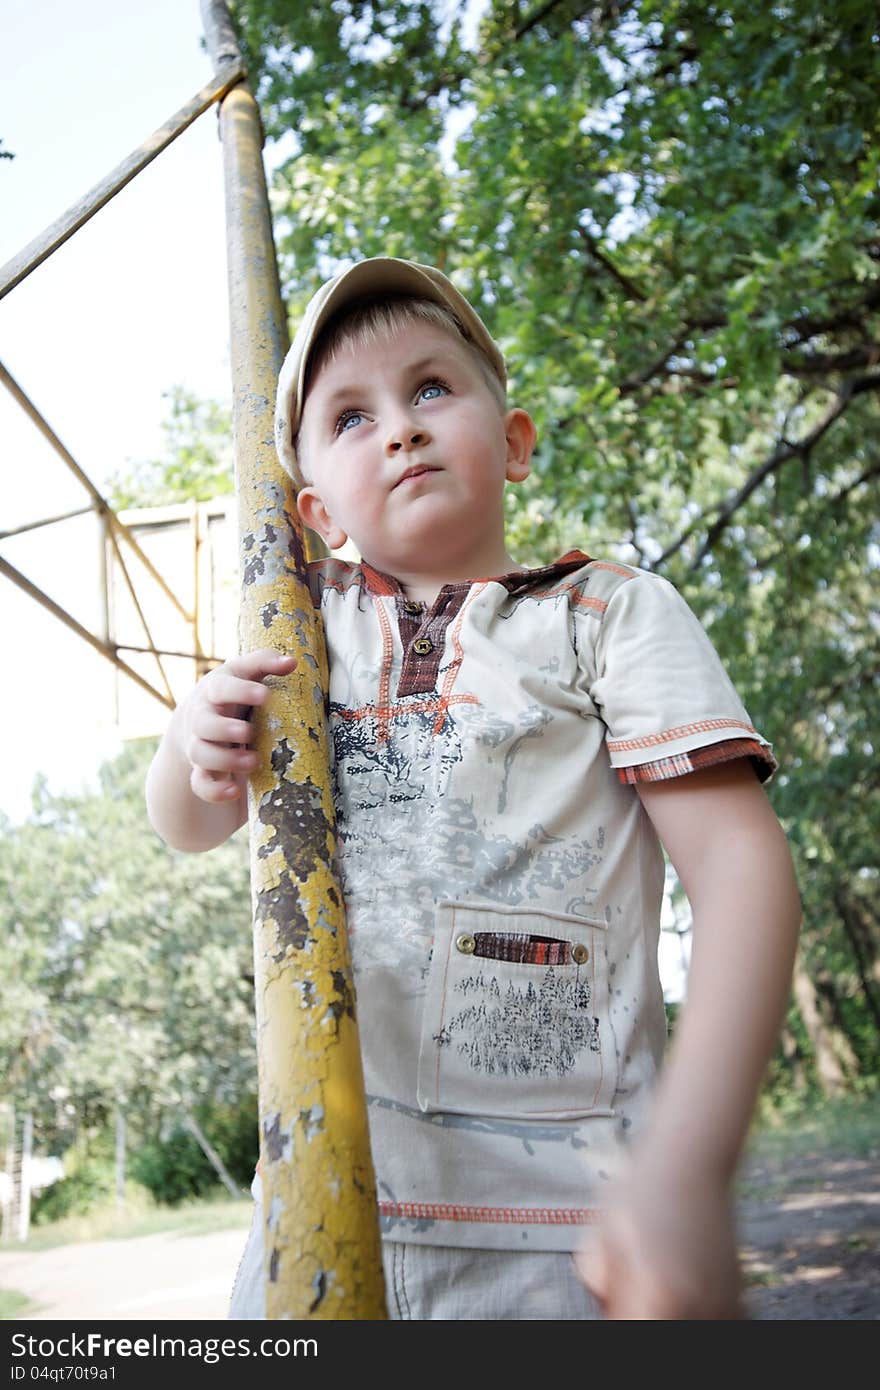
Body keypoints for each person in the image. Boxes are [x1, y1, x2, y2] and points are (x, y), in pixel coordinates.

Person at [145, 257, 801, 1320]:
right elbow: (188, 821)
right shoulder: (298, 633)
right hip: (321, 1219)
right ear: (313, 507)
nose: (399, 427)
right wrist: (191, 740)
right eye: (351, 416)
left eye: (432, 390)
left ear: (513, 442)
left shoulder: (603, 616)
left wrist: (685, 1168)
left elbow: (738, 868)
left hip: (572, 1233)